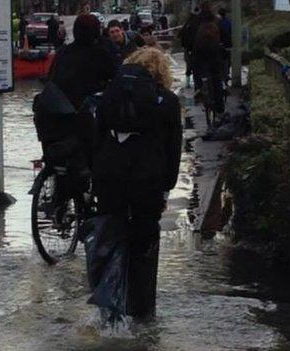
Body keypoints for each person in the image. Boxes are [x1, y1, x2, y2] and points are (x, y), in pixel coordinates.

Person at [93, 47, 183, 320]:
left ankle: (110, 310)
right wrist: (167, 185)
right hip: (147, 178)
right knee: (144, 243)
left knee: (110, 238)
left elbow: (96, 137)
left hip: (110, 176)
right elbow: (173, 147)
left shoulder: (109, 95)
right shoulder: (166, 101)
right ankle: (143, 312)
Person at [35, 14, 116, 171]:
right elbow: (114, 78)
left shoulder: (63, 52)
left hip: (48, 118)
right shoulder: (100, 54)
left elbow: (51, 77)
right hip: (78, 118)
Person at [191, 2, 228, 114]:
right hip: (215, 55)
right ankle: (220, 107)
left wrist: (190, 48)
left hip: (199, 55)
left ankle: (199, 90)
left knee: (197, 72)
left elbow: (187, 37)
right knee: (216, 78)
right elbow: (227, 37)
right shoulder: (217, 21)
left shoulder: (195, 21)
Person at [179, 6, 200, 89]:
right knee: (197, 67)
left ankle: (188, 83)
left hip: (188, 49)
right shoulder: (199, 23)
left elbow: (181, 35)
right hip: (197, 49)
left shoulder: (188, 23)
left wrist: (185, 46)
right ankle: (197, 84)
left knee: (189, 66)